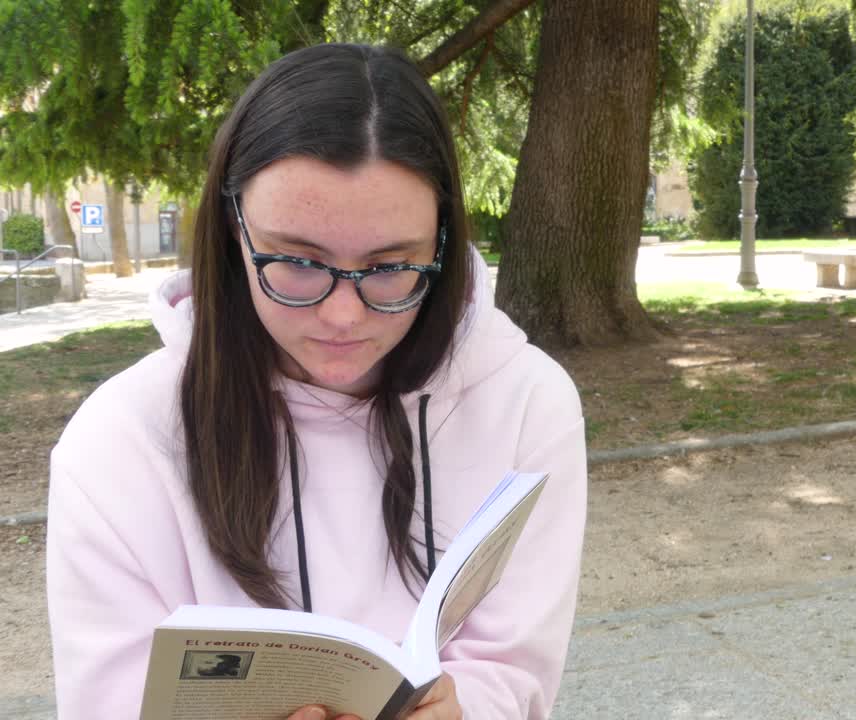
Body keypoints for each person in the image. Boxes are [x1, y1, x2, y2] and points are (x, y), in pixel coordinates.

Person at [45, 43, 587, 720]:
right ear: (231, 231)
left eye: (391, 266)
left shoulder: (528, 404)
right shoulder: (117, 444)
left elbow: (515, 669)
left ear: (442, 245)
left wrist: (465, 710)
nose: (342, 315)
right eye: (297, 262)